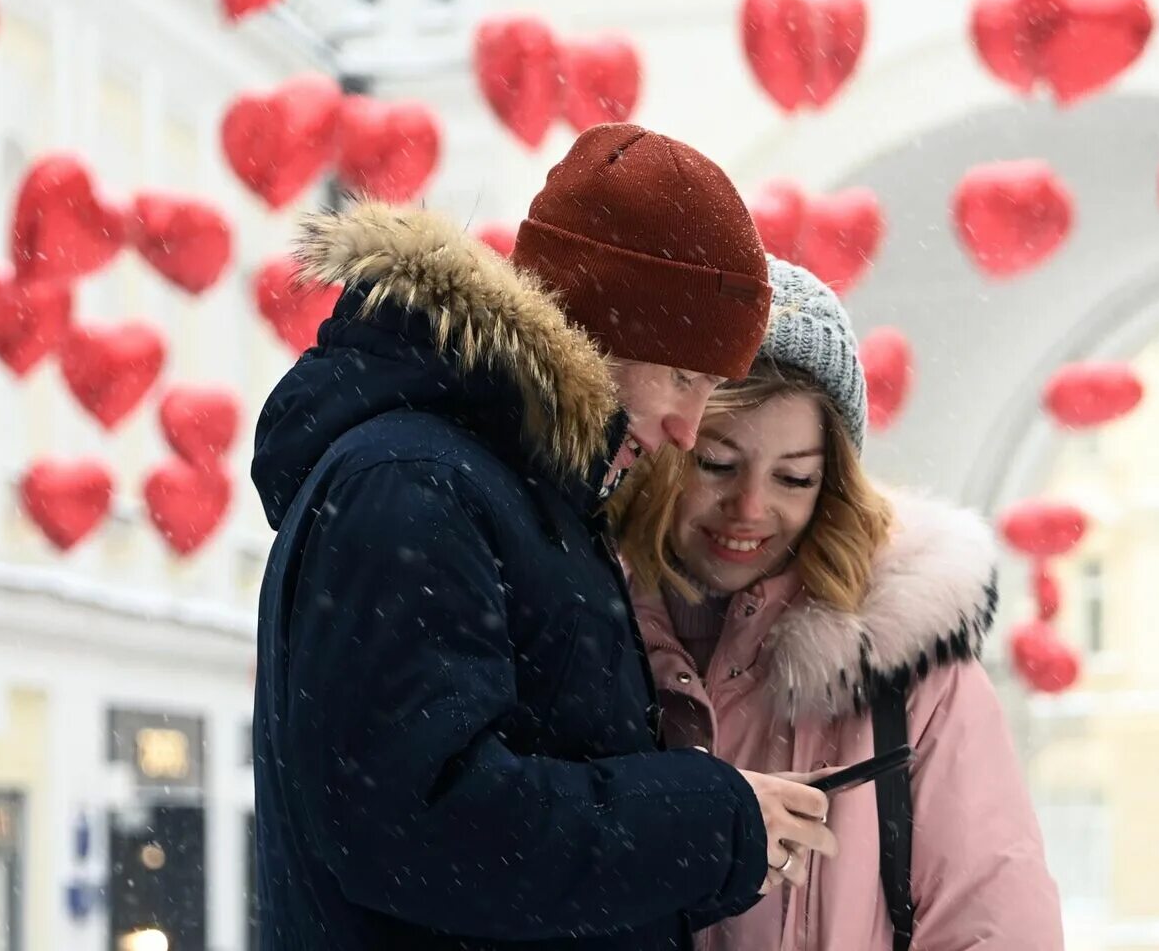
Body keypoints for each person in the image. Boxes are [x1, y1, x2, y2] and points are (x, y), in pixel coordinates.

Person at [249, 123, 838, 951]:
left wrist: (717, 835)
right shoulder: (415, 487)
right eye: (680, 376)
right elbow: (426, 829)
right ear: (597, 326)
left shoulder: (508, 492)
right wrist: (708, 820)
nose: (685, 426)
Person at [614, 258, 1065, 950]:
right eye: (718, 464)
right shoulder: (584, 632)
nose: (752, 508)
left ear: (833, 485)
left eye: (794, 476)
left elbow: (994, 923)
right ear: (667, 447)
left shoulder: (909, 667)